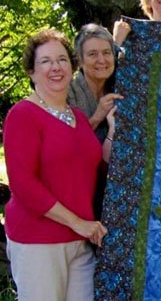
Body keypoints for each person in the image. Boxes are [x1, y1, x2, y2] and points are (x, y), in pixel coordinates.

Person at [3, 29, 114, 300]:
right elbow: (24, 185)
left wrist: (112, 129)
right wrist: (79, 223)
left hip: (79, 241)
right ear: (31, 71)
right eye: (45, 61)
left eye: (62, 59)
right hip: (38, 239)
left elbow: (97, 164)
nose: (56, 67)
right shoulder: (23, 114)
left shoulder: (75, 115)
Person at [69, 23, 124, 142]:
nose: (101, 60)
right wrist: (97, 117)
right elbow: (66, 145)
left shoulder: (119, 88)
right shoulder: (67, 94)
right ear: (79, 60)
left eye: (106, 53)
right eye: (92, 54)